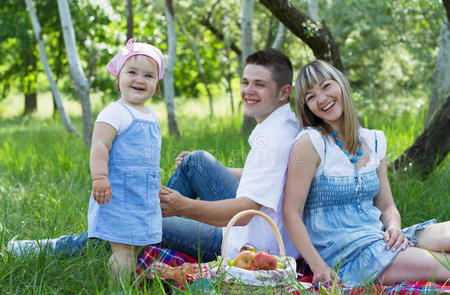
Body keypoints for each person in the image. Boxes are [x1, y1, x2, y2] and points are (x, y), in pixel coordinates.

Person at [7, 48, 301, 263]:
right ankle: (143, 212)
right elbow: (266, 176)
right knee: (195, 160)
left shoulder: (272, 139)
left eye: (259, 85)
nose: (248, 90)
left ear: (284, 92)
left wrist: (183, 206)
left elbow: (244, 215)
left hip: (241, 240)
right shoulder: (284, 123)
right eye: (245, 82)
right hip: (255, 224)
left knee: (136, 221)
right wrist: (216, 167)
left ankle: (59, 247)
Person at [282, 60, 450, 287]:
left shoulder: (374, 140)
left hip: (380, 237)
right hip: (349, 254)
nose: (321, 98)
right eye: (310, 97)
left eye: (326, 86)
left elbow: (387, 206)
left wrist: (394, 227)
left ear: (342, 84)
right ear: (306, 107)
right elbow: (291, 213)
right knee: (444, 264)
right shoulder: (311, 142)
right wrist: (318, 266)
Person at [88, 38, 165, 280]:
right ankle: (117, 292)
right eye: (132, 72)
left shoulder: (150, 115)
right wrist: (100, 177)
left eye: (149, 76)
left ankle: (126, 285)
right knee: (122, 248)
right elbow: (100, 145)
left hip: (142, 196)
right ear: (118, 77)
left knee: (134, 248)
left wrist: (153, 183)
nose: (140, 80)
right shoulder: (115, 111)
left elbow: (146, 158)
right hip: (118, 193)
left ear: (156, 83)